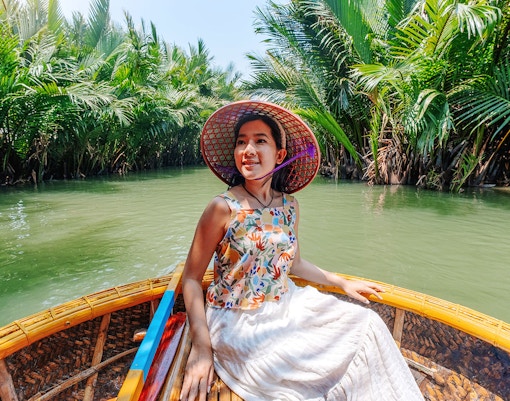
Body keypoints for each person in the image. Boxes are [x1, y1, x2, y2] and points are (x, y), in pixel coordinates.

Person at [180, 100, 424, 401]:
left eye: (260, 141)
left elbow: (292, 264)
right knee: (295, 376)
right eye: (241, 142)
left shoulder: (289, 206)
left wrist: (341, 282)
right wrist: (201, 347)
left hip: (287, 304)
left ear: (279, 154)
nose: (248, 150)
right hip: (237, 319)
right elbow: (191, 278)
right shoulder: (222, 207)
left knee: (368, 326)